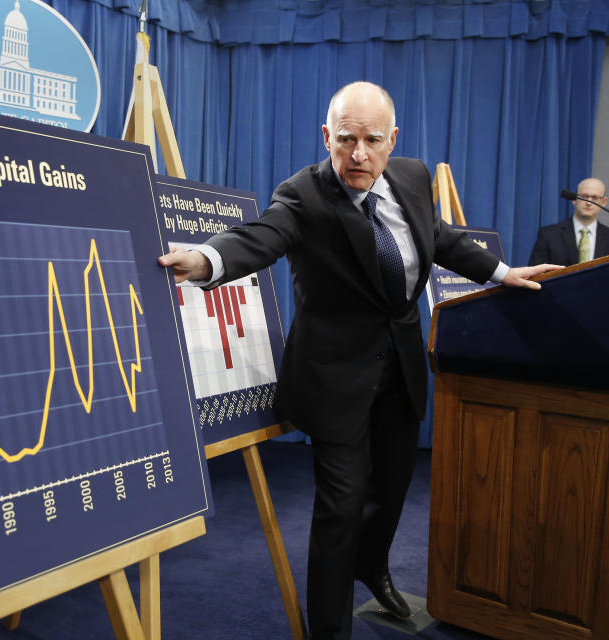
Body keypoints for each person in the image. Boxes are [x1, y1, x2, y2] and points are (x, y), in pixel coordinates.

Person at [158, 81, 561, 639]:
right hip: (334, 379)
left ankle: (372, 568)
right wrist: (205, 258)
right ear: (327, 136)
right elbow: (262, 235)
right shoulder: (303, 194)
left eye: (372, 140)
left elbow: (439, 238)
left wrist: (501, 272)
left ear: (392, 140)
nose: (358, 155)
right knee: (340, 512)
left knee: (390, 495)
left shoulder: (414, 178)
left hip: (399, 370)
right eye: (346, 139)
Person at [528, 177, 609, 266]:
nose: (589, 202)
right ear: (573, 199)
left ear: (604, 202)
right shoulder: (549, 235)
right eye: (584, 196)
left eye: (594, 197)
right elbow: (535, 275)